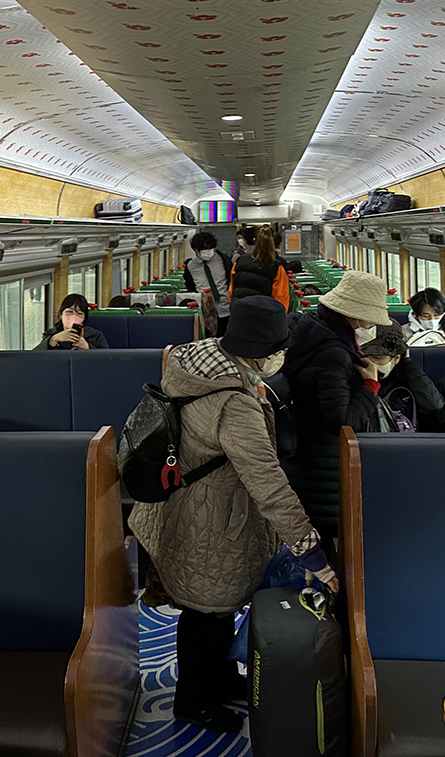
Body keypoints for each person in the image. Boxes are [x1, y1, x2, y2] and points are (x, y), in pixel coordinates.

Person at [129, 297, 338, 733]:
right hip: (212, 520)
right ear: (262, 353)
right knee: (208, 612)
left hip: (185, 504)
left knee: (212, 609)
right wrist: (311, 554)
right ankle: (194, 702)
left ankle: (214, 679)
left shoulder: (198, 361)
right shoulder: (233, 404)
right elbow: (268, 482)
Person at [280, 269, 394, 540]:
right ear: (353, 315)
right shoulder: (333, 354)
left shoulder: (308, 328)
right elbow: (343, 421)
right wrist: (370, 385)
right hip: (324, 464)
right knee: (327, 535)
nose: (372, 324)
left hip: (302, 448)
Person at [361, 323, 445, 431]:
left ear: (396, 359)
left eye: (377, 358)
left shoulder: (408, 380)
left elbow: (434, 404)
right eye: (364, 357)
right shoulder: (350, 378)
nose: (370, 363)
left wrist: (409, 365)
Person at [182, 230, 234, 335]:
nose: (208, 252)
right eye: (204, 249)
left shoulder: (224, 260)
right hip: (206, 311)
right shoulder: (190, 267)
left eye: (210, 248)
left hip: (226, 308)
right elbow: (191, 287)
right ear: (196, 250)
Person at [230, 226, 290, 309]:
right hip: (265, 313)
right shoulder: (276, 267)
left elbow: (231, 291)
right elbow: (281, 299)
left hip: (239, 311)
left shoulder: (239, 262)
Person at [33, 293, 109, 350]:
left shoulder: (96, 335)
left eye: (79, 314)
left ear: (84, 318)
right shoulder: (51, 334)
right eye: (69, 312)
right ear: (61, 314)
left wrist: (88, 347)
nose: (74, 316)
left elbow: (107, 360)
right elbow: (34, 357)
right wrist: (54, 339)